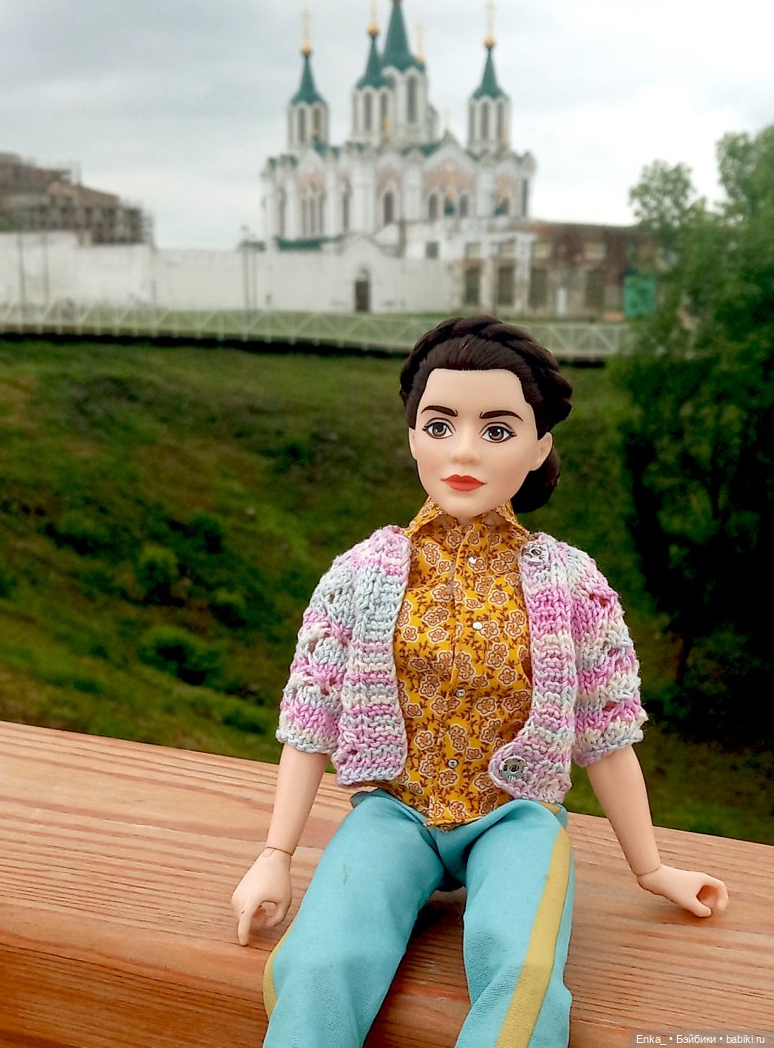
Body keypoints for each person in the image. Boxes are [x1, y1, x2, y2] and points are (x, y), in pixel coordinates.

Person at [231, 315, 728, 1047]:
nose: (463, 451)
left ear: (539, 446)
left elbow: (607, 737)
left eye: (497, 430)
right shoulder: (359, 575)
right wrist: (275, 856)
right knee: (318, 960)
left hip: (514, 814)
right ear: (412, 435)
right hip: (395, 808)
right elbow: (310, 722)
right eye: (440, 425)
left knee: (521, 970)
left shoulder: (573, 584)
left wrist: (651, 868)